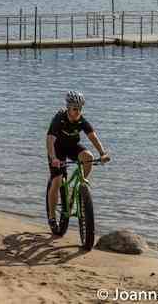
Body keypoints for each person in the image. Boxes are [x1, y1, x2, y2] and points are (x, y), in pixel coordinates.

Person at [46, 90, 110, 234]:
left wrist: (102, 153)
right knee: (57, 181)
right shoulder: (59, 119)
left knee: (88, 156)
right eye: (75, 108)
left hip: (72, 147)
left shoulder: (81, 119)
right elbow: (50, 139)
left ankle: (81, 185)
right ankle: (51, 217)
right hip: (57, 150)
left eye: (80, 108)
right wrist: (53, 158)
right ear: (68, 107)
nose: (78, 111)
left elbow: (92, 136)